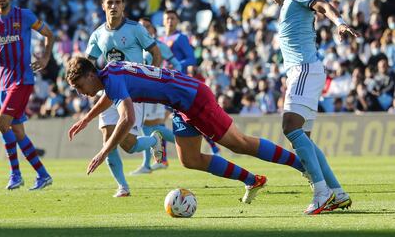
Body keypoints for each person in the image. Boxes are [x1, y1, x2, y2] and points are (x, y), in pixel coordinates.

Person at [66, 57, 308, 204]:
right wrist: (87, 119)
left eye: (79, 85)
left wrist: (103, 152)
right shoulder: (110, 71)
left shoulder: (112, 80)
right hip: (181, 104)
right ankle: (252, 180)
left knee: (239, 143)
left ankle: (302, 165)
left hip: (193, 99)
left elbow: (127, 119)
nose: (79, 91)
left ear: (90, 75)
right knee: (189, 159)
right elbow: (110, 96)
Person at [262, 0, 359, 214]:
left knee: (290, 128)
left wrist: (339, 21)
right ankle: (336, 192)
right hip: (304, 71)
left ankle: (321, 193)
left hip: (304, 69)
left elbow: (322, 4)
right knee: (302, 137)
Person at [79, 0, 162, 197]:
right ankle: (123, 186)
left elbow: (154, 52)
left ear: (123, 5)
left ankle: (154, 140)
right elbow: (88, 63)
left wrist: (152, 77)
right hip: (111, 91)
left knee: (130, 145)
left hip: (134, 91)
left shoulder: (135, 29)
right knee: (107, 135)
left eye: (117, 2)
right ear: (103, 6)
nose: (113, 6)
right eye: (110, 3)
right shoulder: (98, 34)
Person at [0, 0, 54, 190]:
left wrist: (46, 58)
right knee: (17, 131)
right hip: (2, 83)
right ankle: (42, 174)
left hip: (22, 80)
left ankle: (15, 174)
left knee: (1, 123)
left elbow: (48, 34)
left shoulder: (24, 16)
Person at [160, 9, 221, 162]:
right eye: (167, 18)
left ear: (177, 21)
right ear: (163, 21)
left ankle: (163, 159)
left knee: (165, 120)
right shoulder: (160, 40)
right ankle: (162, 158)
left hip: (177, 84)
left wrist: (176, 65)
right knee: (161, 120)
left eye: (173, 18)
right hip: (164, 84)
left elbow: (191, 59)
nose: (169, 21)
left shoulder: (180, 38)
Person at [130, 17, 181, 175]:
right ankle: (148, 164)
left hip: (155, 89)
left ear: (153, 30)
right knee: (145, 126)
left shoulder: (159, 46)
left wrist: (168, 80)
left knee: (154, 125)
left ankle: (186, 141)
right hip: (141, 90)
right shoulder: (136, 47)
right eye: (141, 26)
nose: (144, 29)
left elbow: (177, 65)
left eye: (147, 26)